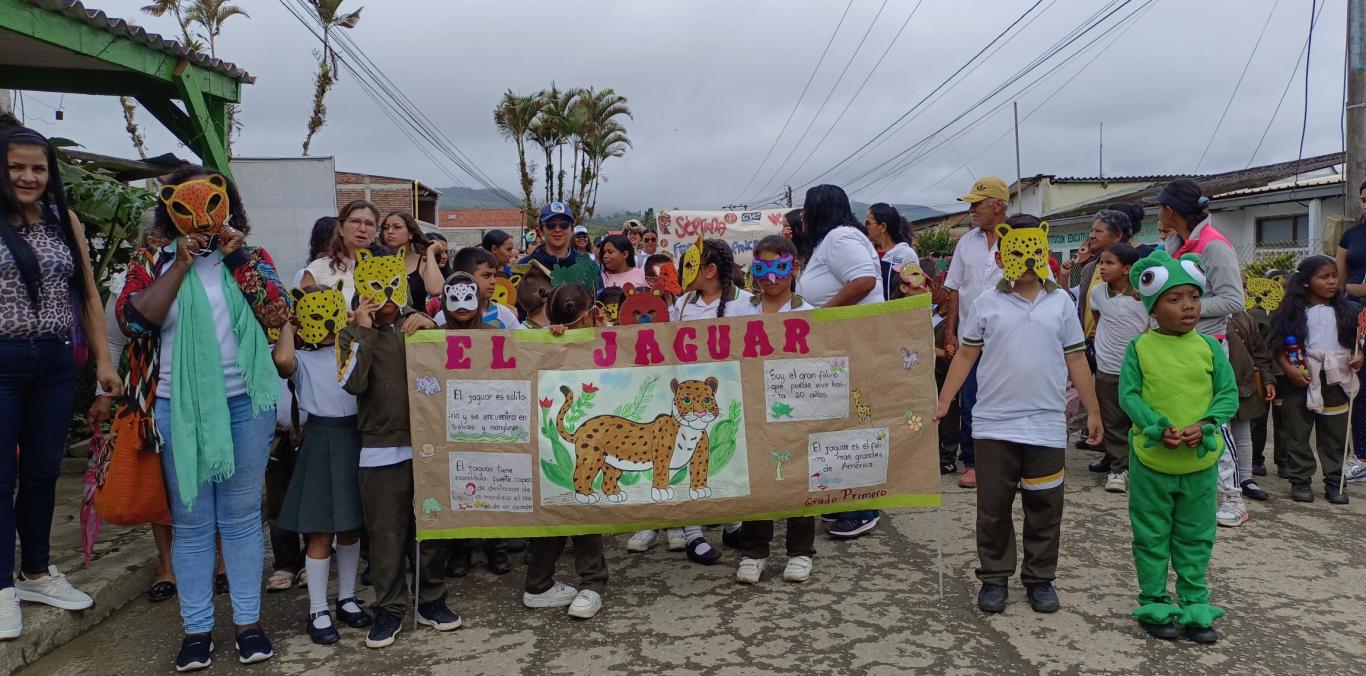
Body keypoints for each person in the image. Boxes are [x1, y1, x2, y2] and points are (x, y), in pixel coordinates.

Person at [116, 166, 290, 669]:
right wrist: (181, 265)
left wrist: (234, 256)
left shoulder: (251, 257)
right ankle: (197, 630)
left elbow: (277, 313)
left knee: (239, 519)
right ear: (171, 208)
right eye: (185, 208)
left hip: (245, 403)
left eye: (213, 205)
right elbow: (133, 321)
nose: (200, 218)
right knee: (191, 523)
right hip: (176, 406)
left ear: (227, 204)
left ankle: (248, 624)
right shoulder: (152, 258)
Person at [934, 214, 1102, 616]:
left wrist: (1094, 410)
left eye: (1035, 252)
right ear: (1002, 251)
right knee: (993, 507)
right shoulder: (986, 303)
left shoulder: (1061, 302)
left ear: (1043, 251)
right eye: (1017, 251)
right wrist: (943, 401)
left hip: (1045, 424)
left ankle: (1040, 579)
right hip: (994, 424)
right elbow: (967, 356)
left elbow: (1077, 357)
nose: (1027, 261)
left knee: (1045, 506)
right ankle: (994, 577)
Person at [1, 124, 121, 642]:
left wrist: (103, 363)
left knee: (45, 472)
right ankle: (1, 590)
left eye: (38, 168)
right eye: (16, 167)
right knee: (1, 477)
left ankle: (36, 573)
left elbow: (90, 298)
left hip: (53, 363)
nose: (28, 177)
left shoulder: (61, 220)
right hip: (1, 360)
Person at [338, 245, 455, 648]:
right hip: (380, 449)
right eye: (375, 287)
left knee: (431, 528)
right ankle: (389, 608)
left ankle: (432, 599)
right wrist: (364, 332)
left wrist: (430, 327)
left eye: (392, 286)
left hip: (428, 445)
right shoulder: (351, 333)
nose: (385, 296)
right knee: (386, 533)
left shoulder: (419, 326)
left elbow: (449, 369)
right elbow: (352, 383)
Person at [1120, 251, 1238, 644]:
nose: (1188, 306)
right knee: (1151, 534)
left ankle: (1193, 602)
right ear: (1154, 308)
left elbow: (1227, 396)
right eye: (1174, 299)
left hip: (1199, 461)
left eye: (1192, 296)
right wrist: (1156, 425)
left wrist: (1204, 424)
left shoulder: (1208, 347)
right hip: (1153, 459)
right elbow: (1129, 396)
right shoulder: (1139, 349)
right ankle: (1154, 600)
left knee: (1196, 535)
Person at [87, 226, 180, 603]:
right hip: (147, 393)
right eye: (155, 236)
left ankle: (221, 562)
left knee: (209, 478)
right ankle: (166, 566)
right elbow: (112, 339)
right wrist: (104, 395)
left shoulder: (202, 270)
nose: (161, 242)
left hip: (202, 391)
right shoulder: (133, 280)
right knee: (156, 479)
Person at [272, 283, 369, 645]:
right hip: (320, 439)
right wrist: (289, 325)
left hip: (354, 438)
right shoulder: (303, 361)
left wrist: (354, 322)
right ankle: (317, 608)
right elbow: (282, 361)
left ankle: (346, 596)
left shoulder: (351, 349)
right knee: (320, 532)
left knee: (350, 528)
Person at [1152, 179, 1246, 523]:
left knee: (1213, 422)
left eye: (1160, 207)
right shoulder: (1174, 245)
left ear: (1170, 210)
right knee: (1175, 414)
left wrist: (1183, 307)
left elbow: (1234, 299)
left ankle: (1234, 496)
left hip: (1206, 347)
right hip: (1170, 346)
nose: (1158, 213)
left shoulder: (1213, 245)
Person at [793, 185, 884, 537]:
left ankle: (864, 507)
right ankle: (846, 499)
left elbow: (863, 281)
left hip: (855, 343)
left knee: (855, 426)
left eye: (805, 210)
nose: (802, 217)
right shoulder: (833, 241)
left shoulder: (840, 237)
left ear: (818, 210)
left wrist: (821, 318)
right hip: (843, 346)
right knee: (839, 424)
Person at [728, 236, 816, 584]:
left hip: (795, 408)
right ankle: (754, 550)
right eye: (762, 268)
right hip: (750, 404)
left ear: (792, 268)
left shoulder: (807, 313)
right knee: (757, 478)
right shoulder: (739, 309)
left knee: (797, 475)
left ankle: (800, 551)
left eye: (779, 268)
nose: (771, 277)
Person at [522, 284, 609, 620]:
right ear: (584, 316)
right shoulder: (547, 343)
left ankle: (589, 583)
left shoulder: (607, 339)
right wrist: (550, 337)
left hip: (593, 440)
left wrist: (606, 334)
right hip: (557, 443)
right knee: (559, 507)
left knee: (583, 507)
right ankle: (542, 584)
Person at [1270, 255, 1359, 505]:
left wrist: (1358, 357)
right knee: (1297, 430)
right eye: (1324, 277)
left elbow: (1356, 344)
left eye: (1334, 276)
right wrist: (1289, 370)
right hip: (1302, 376)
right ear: (1306, 282)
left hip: (1335, 378)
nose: (1332, 282)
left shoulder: (1347, 311)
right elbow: (1277, 347)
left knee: (1336, 432)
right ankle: (1300, 480)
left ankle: (1334, 481)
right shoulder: (1291, 313)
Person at [942, 176, 1009, 490]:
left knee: (1008, 400)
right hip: (972, 339)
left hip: (1010, 340)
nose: (972, 210)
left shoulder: (1018, 239)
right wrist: (950, 333)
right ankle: (973, 463)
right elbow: (954, 290)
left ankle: (1010, 462)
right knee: (971, 401)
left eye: (977, 204)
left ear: (997, 205)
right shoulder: (965, 242)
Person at [1088, 243, 1147, 493]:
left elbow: (1151, 324)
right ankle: (1118, 470)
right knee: (1112, 422)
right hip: (1108, 367)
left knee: (1139, 419)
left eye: (1109, 263)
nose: (1102, 267)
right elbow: (1098, 317)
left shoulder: (1144, 294)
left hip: (1141, 369)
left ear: (1127, 269)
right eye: (1101, 262)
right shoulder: (1098, 293)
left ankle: (1143, 469)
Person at [1224, 306, 1275, 509]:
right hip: (1211, 386)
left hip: (1242, 385)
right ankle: (1224, 480)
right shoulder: (1200, 314)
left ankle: (1245, 478)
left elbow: (1260, 351)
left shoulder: (1245, 318)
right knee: (1221, 435)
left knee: (1243, 435)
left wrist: (1267, 378)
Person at [1334, 180, 1366, 482]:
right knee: (1360, 386)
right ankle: (1361, 456)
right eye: (1364, 199)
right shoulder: (1351, 235)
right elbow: (1340, 279)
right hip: (1356, 314)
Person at [301, 200, 380, 306]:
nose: (362, 229)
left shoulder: (386, 267)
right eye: (355, 221)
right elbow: (304, 314)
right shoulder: (318, 269)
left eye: (369, 224)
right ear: (340, 227)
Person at [518, 202, 603, 292]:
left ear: (571, 231)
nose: (557, 229)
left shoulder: (589, 266)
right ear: (541, 231)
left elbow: (600, 302)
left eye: (564, 224)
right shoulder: (524, 266)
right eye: (550, 225)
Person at [380, 211, 446, 314]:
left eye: (397, 227)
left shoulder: (422, 262)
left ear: (410, 233)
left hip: (418, 325)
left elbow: (436, 289)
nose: (390, 231)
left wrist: (430, 252)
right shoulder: (376, 263)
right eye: (386, 228)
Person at [442, 247, 521, 331]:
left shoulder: (505, 314)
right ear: (466, 277)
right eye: (486, 275)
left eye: (494, 275)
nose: (494, 281)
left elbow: (519, 343)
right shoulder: (442, 317)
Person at [864, 202, 919, 300]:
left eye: (868, 223)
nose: (865, 227)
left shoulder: (907, 254)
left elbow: (915, 287)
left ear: (883, 227)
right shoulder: (865, 251)